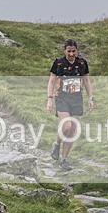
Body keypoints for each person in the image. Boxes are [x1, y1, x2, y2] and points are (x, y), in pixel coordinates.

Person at [46, 39, 94, 170]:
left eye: (73, 51)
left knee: (73, 130)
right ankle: (57, 143)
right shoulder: (59, 63)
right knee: (67, 126)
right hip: (62, 98)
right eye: (69, 51)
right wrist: (49, 99)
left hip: (77, 99)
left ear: (76, 51)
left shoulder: (82, 63)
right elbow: (51, 82)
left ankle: (63, 159)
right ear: (64, 51)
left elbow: (86, 81)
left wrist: (90, 98)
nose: (71, 54)